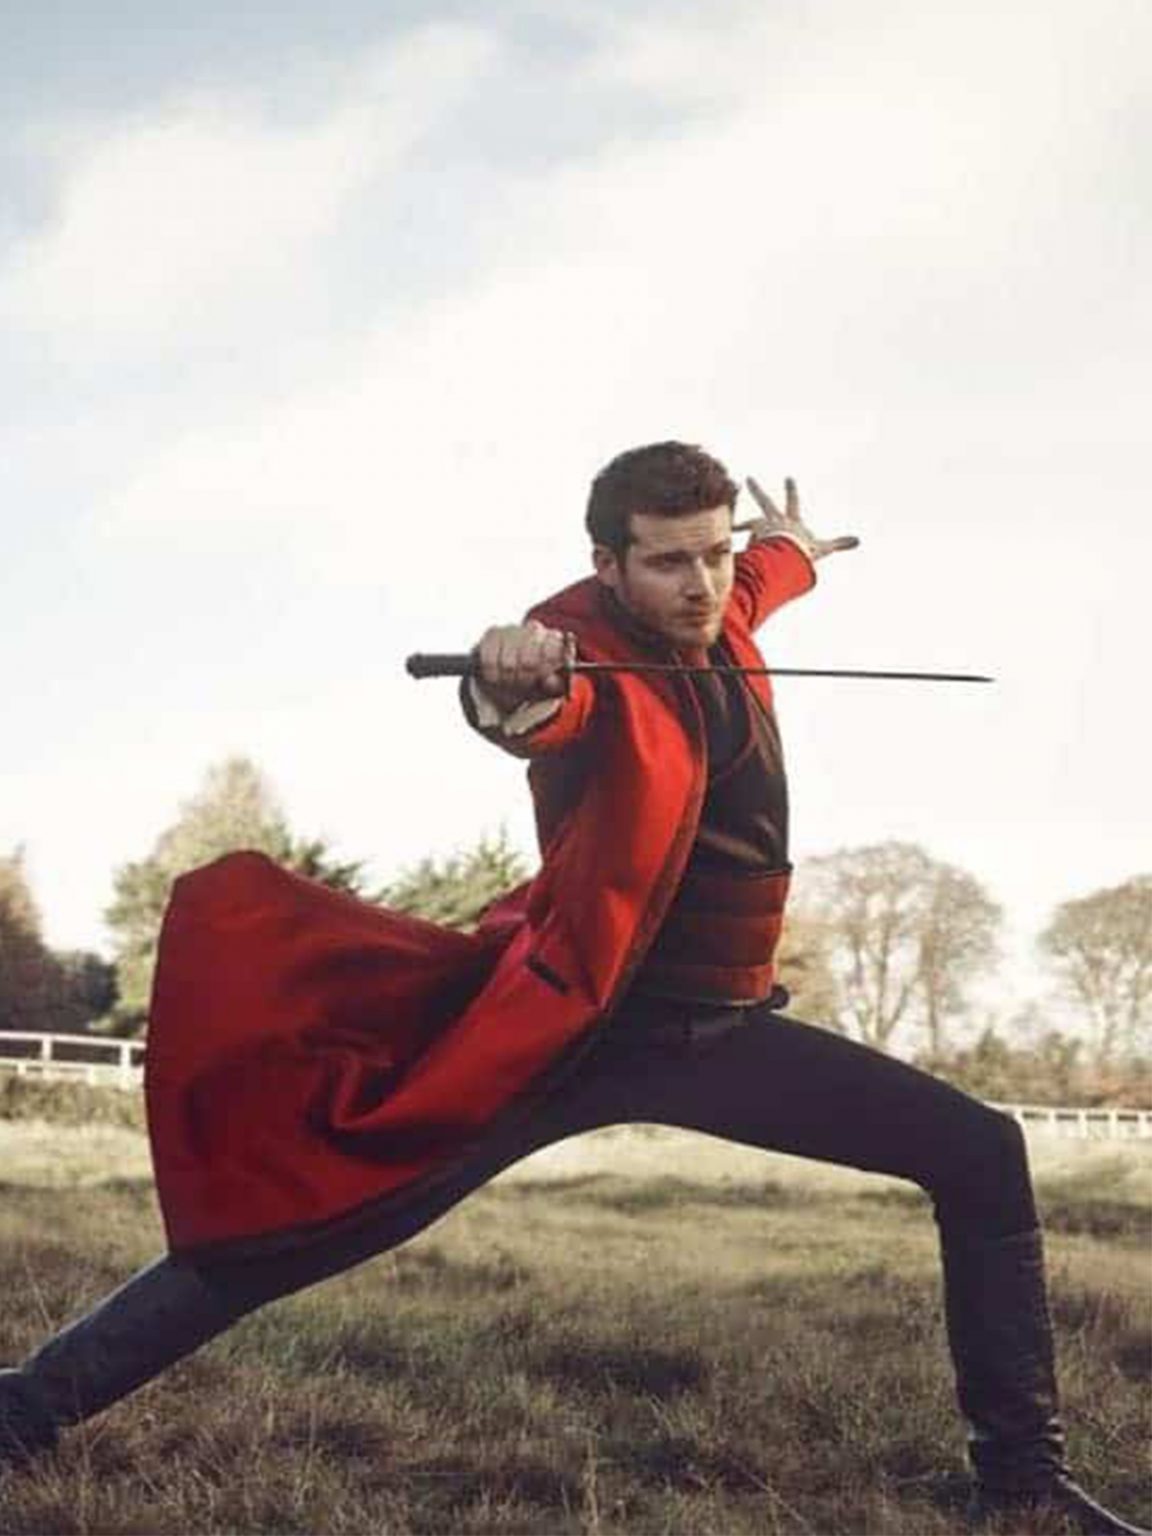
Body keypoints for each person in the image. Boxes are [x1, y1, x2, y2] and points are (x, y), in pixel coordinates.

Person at [0, 442, 1145, 1535]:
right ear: (609, 563)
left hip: (724, 1030)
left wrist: (790, 547)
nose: (702, 584)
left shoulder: (726, 601)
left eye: (715, 553)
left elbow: (760, 582)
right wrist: (511, 687)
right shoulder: (576, 645)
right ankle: (24, 1409)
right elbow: (537, 710)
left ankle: (1022, 1486)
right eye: (669, 561)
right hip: (578, 1029)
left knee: (980, 1150)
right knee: (303, 1228)